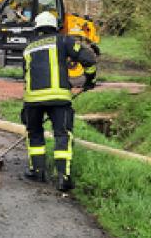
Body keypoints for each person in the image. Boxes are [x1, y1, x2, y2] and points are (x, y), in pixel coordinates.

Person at [21, 11, 98, 191]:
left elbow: (26, 75)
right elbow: (88, 59)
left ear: (37, 27)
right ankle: (63, 177)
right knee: (62, 135)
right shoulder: (63, 40)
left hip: (32, 100)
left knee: (35, 133)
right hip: (59, 99)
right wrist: (90, 79)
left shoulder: (28, 48)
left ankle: (37, 171)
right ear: (55, 26)